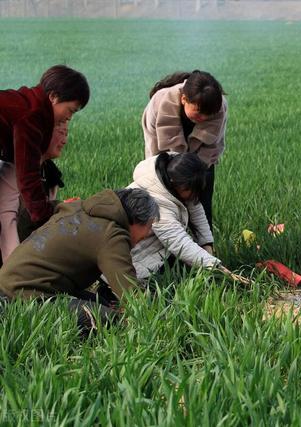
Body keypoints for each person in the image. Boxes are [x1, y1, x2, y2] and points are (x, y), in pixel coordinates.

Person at [0, 188, 159, 335]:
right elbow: (131, 295)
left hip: (11, 280)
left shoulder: (77, 208)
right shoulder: (111, 234)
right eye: (149, 226)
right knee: (110, 319)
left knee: (101, 302)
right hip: (24, 296)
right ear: (138, 220)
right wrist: (157, 317)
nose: (147, 234)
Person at [0, 65, 90, 262]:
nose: (69, 118)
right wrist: (46, 214)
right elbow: (27, 175)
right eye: (71, 110)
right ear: (53, 97)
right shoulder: (32, 117)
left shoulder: (25, 102)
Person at [129, 152, 244, 283]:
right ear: (175, 183)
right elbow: (179, 242)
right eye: (191, 190)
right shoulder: (155, 201)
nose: (194, 195)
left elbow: (195, 207)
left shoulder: (174, 176)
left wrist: (207, 244)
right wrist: (221, 271)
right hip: (133, 265)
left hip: (154, 255)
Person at [141, 70, 227, 232]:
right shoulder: (160, 103)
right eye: (199, 111)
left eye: (209, 115)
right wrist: (165, 177)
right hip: (162, 151)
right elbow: (154, 150)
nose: (204, 117)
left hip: (202, 158)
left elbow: (213, 146)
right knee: (165, 202)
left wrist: (195, 175)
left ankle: (204, 247)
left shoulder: (219, 107)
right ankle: (166, 244)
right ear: (183, 99)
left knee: (201, 201)